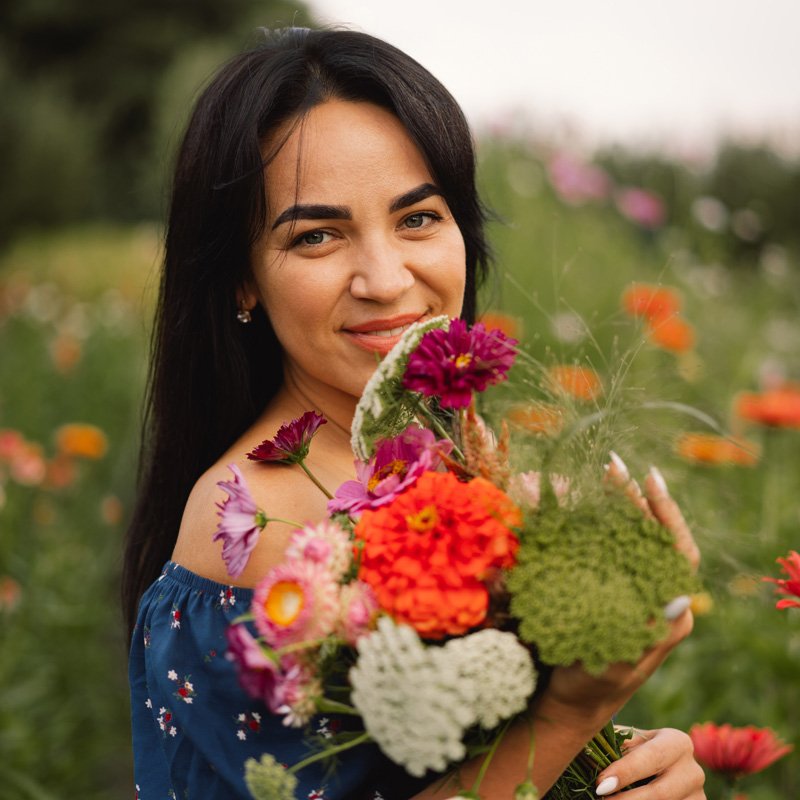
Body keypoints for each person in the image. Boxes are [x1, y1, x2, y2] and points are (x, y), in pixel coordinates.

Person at [123, 27, 706, 800]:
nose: (386, 277)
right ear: (241, 280)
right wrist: (570, 713)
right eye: (318, 235)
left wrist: (625, 765)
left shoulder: (439, 455)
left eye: (418, 218)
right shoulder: (259, 530)